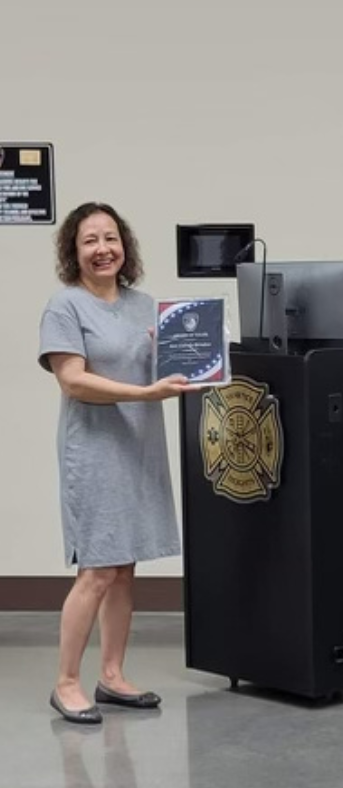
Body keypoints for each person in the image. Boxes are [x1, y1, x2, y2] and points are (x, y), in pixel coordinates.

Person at [39, 202, 192, 724]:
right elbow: (73, 380)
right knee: (98, 568)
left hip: (138, 445)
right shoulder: (66, 307)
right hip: (95, 449)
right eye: (90, 241)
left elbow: (173, 367)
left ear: (124, 245)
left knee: (124, 567)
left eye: (111, 238)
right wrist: (146, 392)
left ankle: (112, 675)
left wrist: (190, 355)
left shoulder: (145, 305)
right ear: (73, 251)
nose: (103, 249)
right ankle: (65, 683)